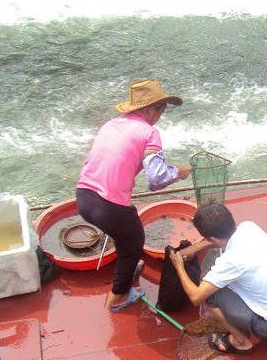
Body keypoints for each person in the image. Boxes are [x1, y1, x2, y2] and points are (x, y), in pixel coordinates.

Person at [76, 79, 192, 311]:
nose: (161, 114)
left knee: (125, 235)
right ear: (150, 109)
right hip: (109, 206)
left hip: (83, 197)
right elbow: (156, 179)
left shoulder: (111, 124)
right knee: (134, 241)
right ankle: (118, 297)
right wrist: (178, 172)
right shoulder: (150, 132)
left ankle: (127, 269)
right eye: (161, 109)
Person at [167, 203, 267, 355]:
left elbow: (196, 297)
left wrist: (179, 267)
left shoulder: (231, 261)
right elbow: (220, 239)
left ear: (212, 237)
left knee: (209, 295)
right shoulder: (249, 227)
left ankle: (241, 342)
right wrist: (195, 248)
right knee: (225, 283)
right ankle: (245, 320)